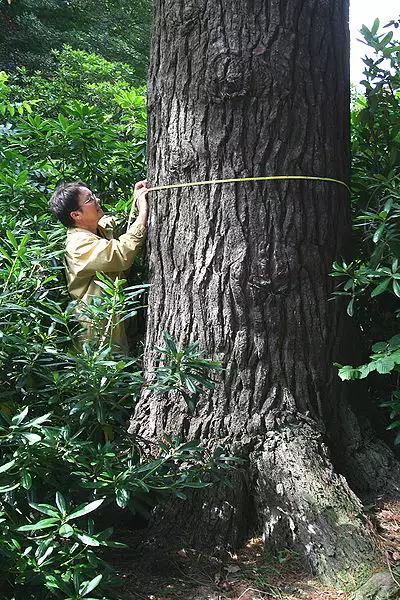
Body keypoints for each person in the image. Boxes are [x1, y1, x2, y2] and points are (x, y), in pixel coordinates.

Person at [49, 180, 149, 351]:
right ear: (76, 215)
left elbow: (121, 223)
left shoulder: (98, 228)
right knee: (112, 374)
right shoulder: (77, 244)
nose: (97, 201)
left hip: (117, 320)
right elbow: (119, 254)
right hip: (98, 330)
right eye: (90, 199)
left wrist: (136, 200)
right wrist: (143, 215)